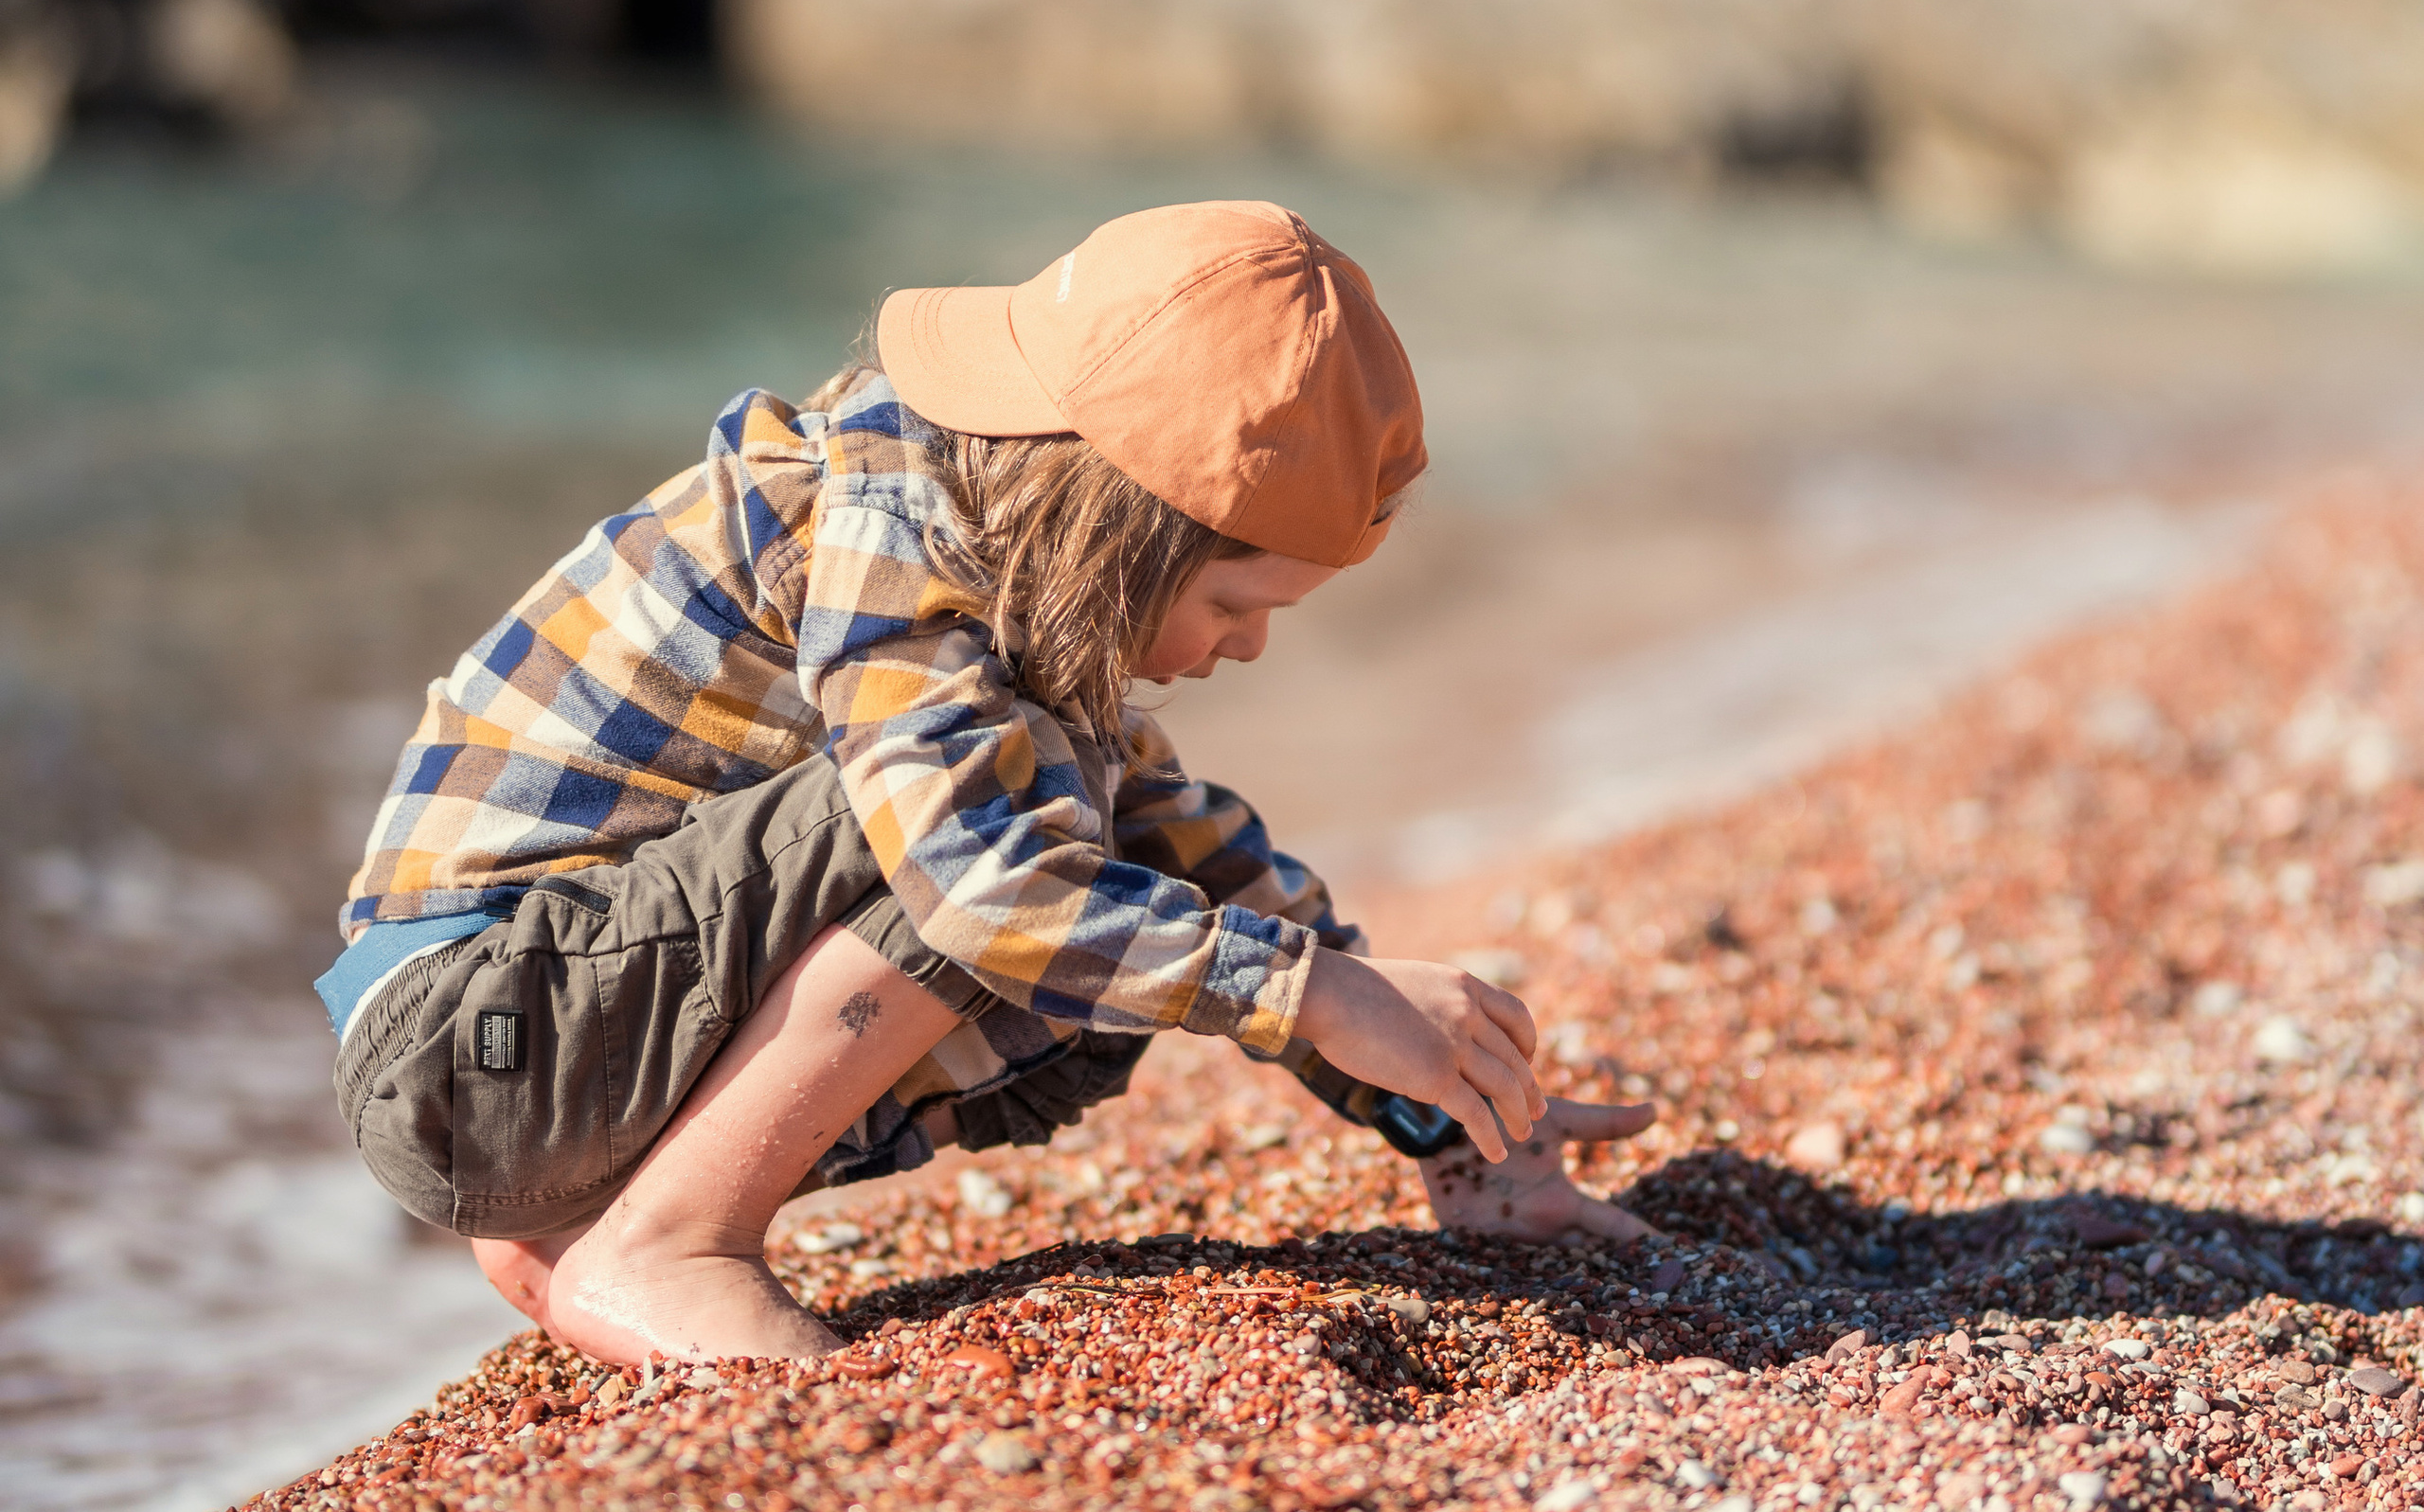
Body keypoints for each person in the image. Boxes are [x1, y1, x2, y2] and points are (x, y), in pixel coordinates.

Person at [318, 200, 1649, 1368]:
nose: (1248, 648)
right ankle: (670, 1239)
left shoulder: (990, 592)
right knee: (1011, 853)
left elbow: (1189, 849)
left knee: (1109, 892)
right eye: (1237, 604)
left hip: (551, 1049)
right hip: (473, 1038)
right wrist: (1312, 993)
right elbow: (975, 878)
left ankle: (589, 1219)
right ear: (1123, 533)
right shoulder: (892, 525)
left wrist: (1446, 1115)